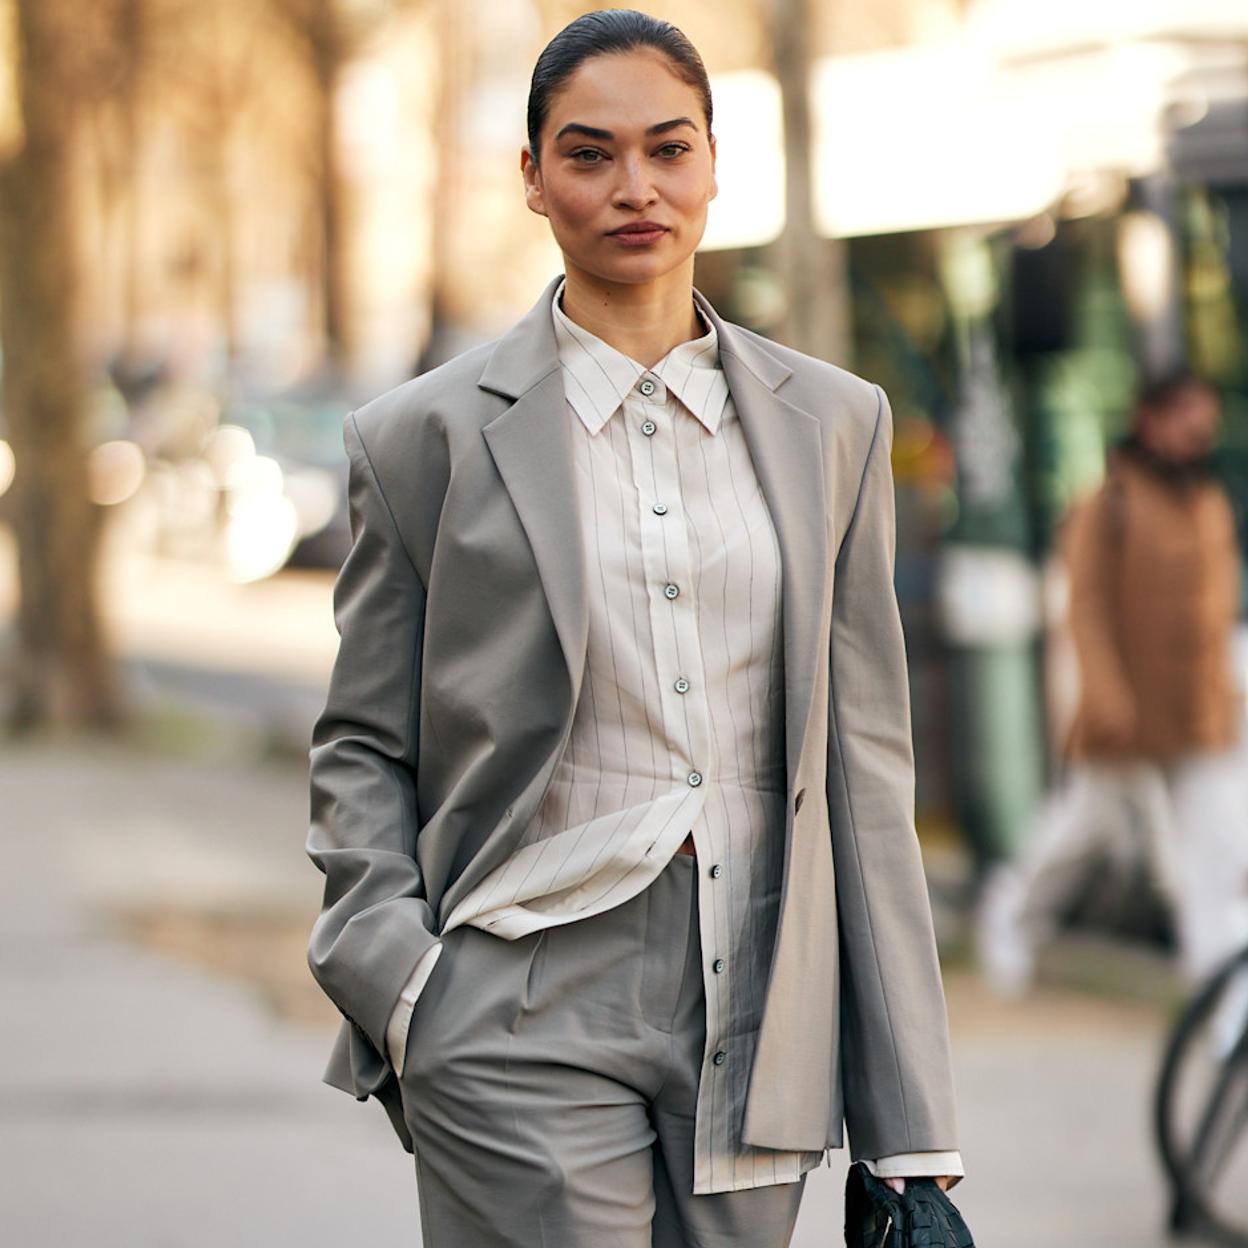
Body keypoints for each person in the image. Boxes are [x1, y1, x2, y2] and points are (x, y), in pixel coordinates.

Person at [306, 11, 962, 1244]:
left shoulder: (837, 425)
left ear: (714, 163)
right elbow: (361, 742)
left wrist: (912, 1128)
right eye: (589, 154)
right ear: (533, 178)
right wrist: (399, 981)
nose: (635, 188)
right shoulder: (422, 439)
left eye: (668, 149)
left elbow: (864, 772)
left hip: (763, 1008)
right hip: (515, 1002)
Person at [979, 370, 1248, 997]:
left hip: (1198, 714)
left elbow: (1217, 614)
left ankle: (1219, 994)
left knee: (1217, 851)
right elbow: (1086, 608)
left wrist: (1227, 695)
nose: (1197, 432)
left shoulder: (1208, 502)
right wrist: (1105, 697)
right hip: (1126, 714)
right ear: (1151, 418)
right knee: (1079, 833)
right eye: (1185, 417)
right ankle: (1009, 917)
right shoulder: (1108, 504)